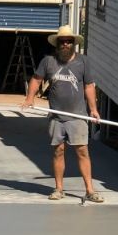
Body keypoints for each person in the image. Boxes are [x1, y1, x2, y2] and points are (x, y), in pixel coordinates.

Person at [22, 25, 104, 203]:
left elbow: (89, 86)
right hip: (56, 117)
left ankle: (90, 190)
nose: (65, 44)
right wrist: (30, 98)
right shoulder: (48, 61)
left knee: (82, 151)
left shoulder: (83, 62)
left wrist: (93, 109)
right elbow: (36, 80)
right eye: (62, 41)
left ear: (73, 44)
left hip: (78, 116)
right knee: (58, 151)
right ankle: (59, 189)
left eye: (69, 41)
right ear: (57, 44)